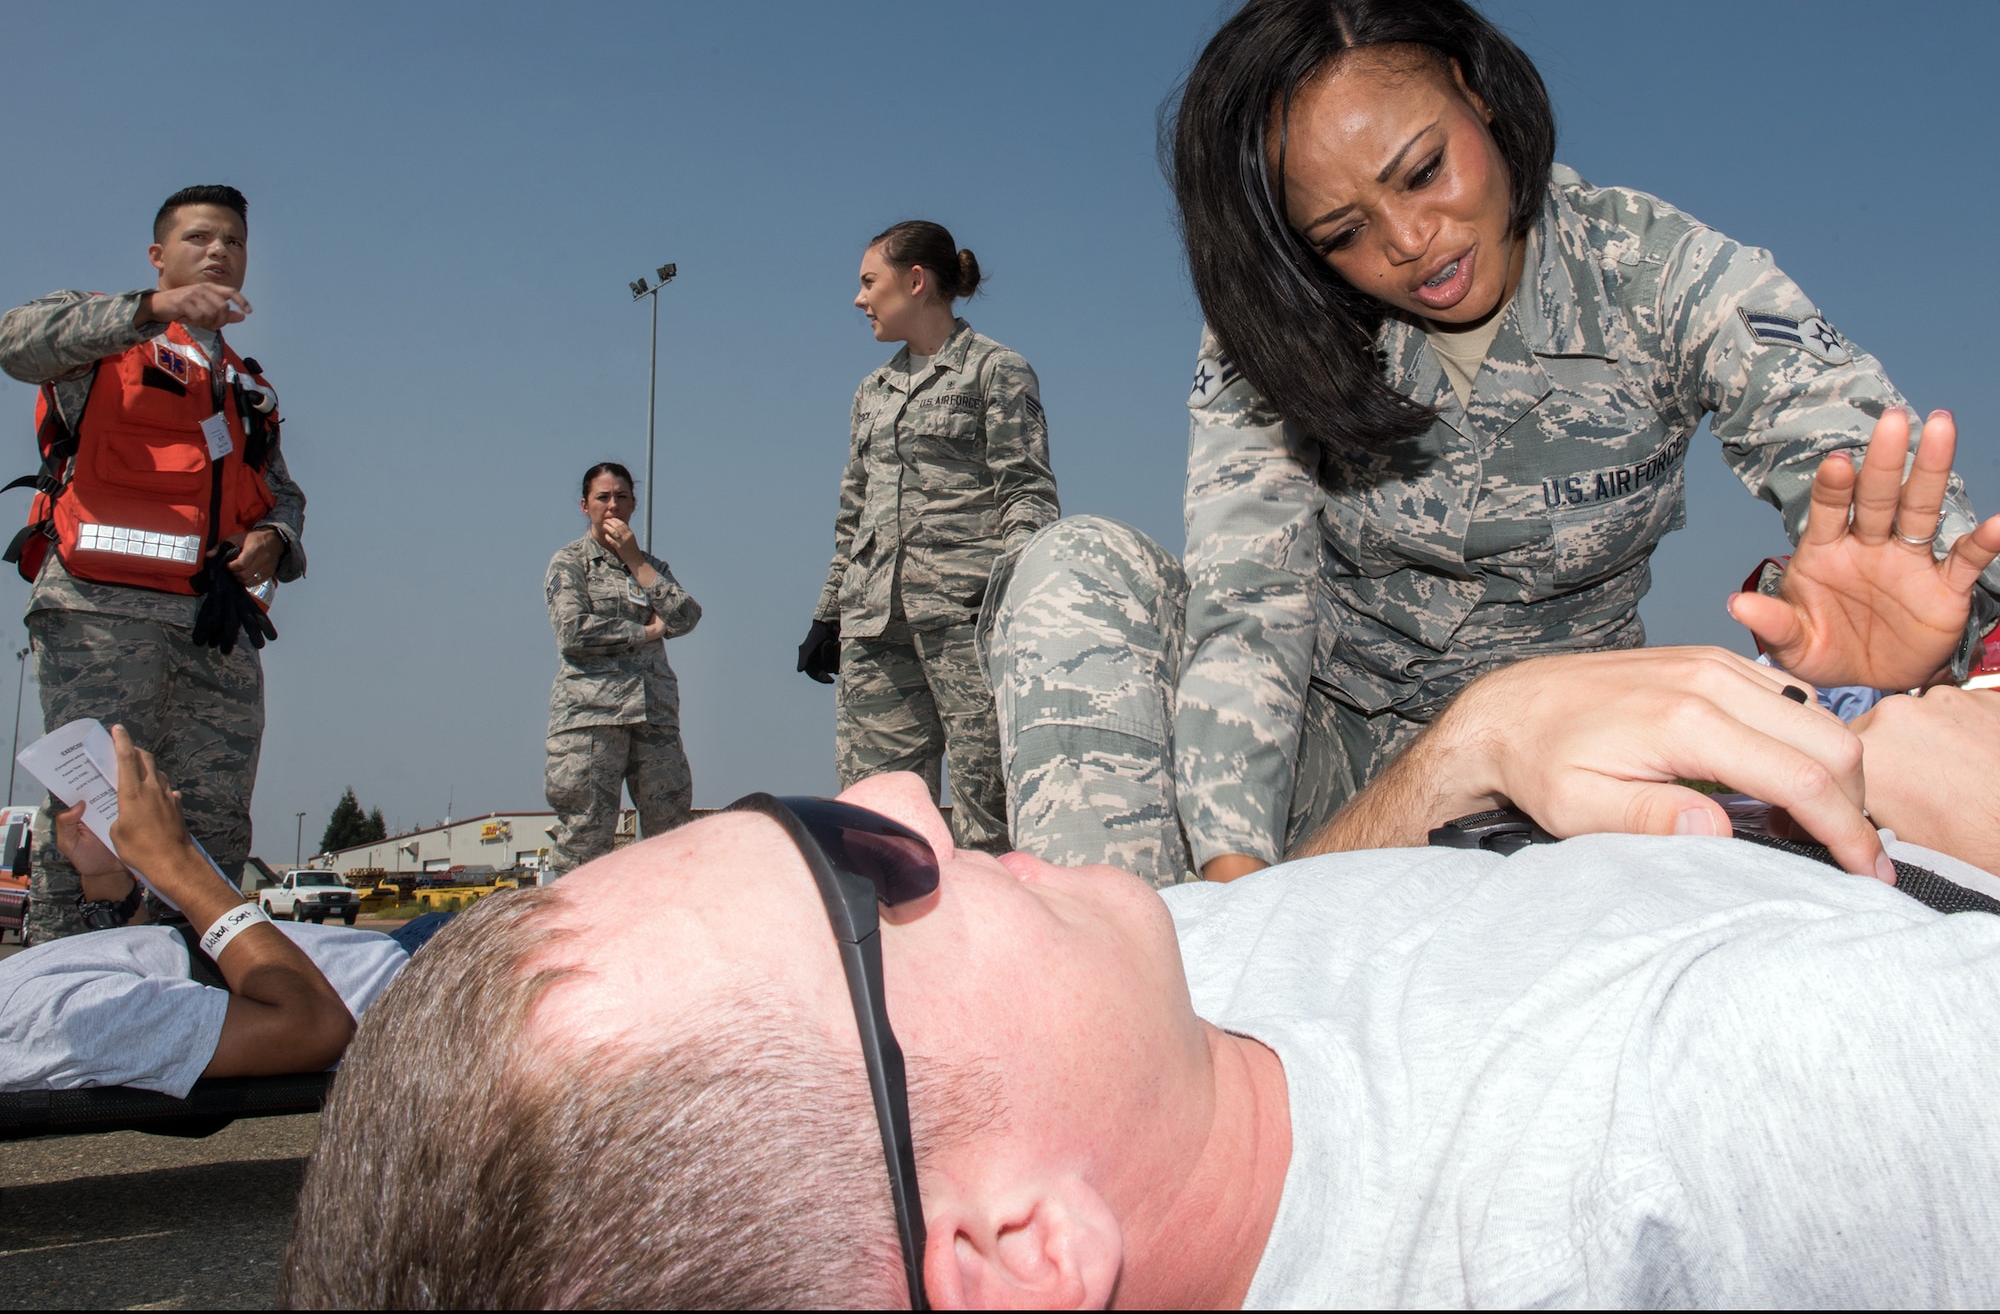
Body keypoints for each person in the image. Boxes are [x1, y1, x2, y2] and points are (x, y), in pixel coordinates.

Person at [279, 649, 2000, 1309]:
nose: (897, 795)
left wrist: (1467, 753)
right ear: (1021, 1248)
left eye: (803, 812)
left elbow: (1323, 929)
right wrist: (1903, 762)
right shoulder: (1733, 1125)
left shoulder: (1121, 1045)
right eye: (867, 885)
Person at [981, 0, 2000, 886]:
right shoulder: (1276, 324)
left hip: (1552, 769)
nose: (1411, 242)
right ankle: (1127, 966)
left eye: (1421, 171)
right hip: (1315, 765)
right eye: (1342, 233)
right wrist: (1238, 882)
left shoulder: (1662, 274)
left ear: (1474, 90)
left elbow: (1856, 460)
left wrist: (1918, 638)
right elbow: (1251, 606)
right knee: (1077, 568)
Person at [1, 185, 306, 941]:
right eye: (200, 238)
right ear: (159, 255)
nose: (218, 252)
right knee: (93, 814)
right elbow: (16, 340)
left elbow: (283, 492)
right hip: (105, 614)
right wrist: (150, 308)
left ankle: (196, 988)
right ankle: (65, 987)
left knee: (211, 823)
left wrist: (275, 536)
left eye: (233, 242)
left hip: (215, 629)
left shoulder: (246, 386)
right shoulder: (106, 336)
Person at [798, 221, 1058, 854]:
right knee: (875, 817)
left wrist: (1011, 602)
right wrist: (828, 614)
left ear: (915, 281)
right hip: (874, 626)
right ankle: (896, 946)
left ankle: (996, 944)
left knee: (987, 812)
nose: (859, 300)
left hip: (965, 623)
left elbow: (1027, 493)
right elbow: (852, 512)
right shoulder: (871, 391)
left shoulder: (996, 372)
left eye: (869, 282)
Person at [0, 727, 429, 1096]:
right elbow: (315, 1030)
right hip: (423, 983)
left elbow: (155, 982)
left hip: (402, 953)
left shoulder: (27, 1006)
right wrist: (178, 864)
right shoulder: (45, 1023)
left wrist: (108, 880)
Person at [542, 461, 701, 877]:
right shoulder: (570, 563)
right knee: (586, 836)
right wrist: (645, 633)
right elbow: (573, 631)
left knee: (671, 832)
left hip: (653, 717)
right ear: (584, 505)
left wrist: (636, 562)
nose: (613, 505)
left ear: (634, 504)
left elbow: (685, 617)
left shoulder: (650, 565)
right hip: (591, 719)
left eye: (622, 497)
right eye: (603, 497)